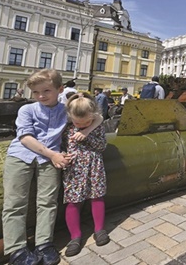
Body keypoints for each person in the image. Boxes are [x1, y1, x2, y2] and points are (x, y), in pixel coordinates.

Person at [2, 69, 101, 265]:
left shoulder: (65, 110)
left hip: (49, 160)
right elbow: (25, 138)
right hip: (22, 157)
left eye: (46, 91)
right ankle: (17, 249)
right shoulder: (27, 110)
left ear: (60, 89)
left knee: (47, 202)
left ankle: (44, 243)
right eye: (36, 92)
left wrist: (88, 130)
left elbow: (97, 117)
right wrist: (53, 154)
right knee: (14, 203)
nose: (41, 96)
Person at [62, 93, 110, 257]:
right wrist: (62, 155)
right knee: (73, 201)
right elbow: (61, 146)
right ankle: (75, 236)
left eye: (86, 123)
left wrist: (87, 136)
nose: (82, 126)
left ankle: (99, 229)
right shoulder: (68, 129)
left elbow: (102, 146)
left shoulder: (97, 127)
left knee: (97, 197)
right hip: (74, 170)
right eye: (77, 123)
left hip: (94, 167)